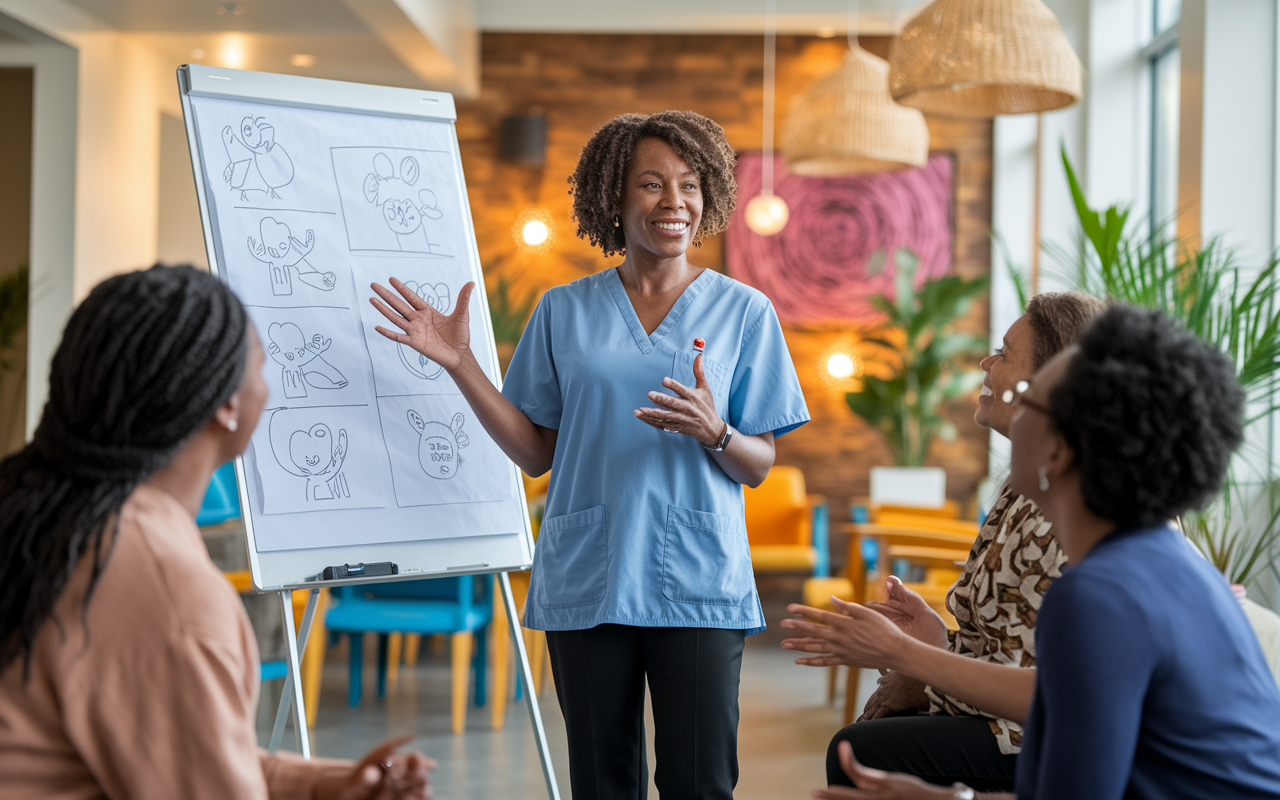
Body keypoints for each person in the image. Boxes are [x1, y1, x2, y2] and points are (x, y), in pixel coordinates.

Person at [369, 111, 809, 799]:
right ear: (613, 196)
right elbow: (535, 452)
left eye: (690, 186)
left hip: (697, 585)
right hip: (590, 579)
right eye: (652, 184)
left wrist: (716, 432)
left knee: (702, 781)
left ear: (709, 196)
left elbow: (760, 462)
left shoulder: (744, 313)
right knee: (602, 784)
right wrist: (459, 364)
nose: (674, 203)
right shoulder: (563, 310)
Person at [791, 305, 1280, 799]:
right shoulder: (1151, 561)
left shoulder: (1098, 596)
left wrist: (907, 661)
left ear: (1059, 450)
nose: (1014, 418)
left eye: (1031, 404)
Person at [0, 266, 434, 800]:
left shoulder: (38, 513)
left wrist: (325, 786)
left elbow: (171, 747)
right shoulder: (160, 590)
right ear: (227, 403)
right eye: (262, 366)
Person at [826, 292, 1103, 792]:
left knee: (862, 748)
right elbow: (1005, 647)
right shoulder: (1023, 479)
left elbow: (1048, 688)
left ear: (1046, 382)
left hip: (1034, 735)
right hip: (1013, 713)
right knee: (871, 739)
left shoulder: (1069, 506)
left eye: (1003, 352)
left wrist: (922, 674)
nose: (986, 362)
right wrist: (934, 638)